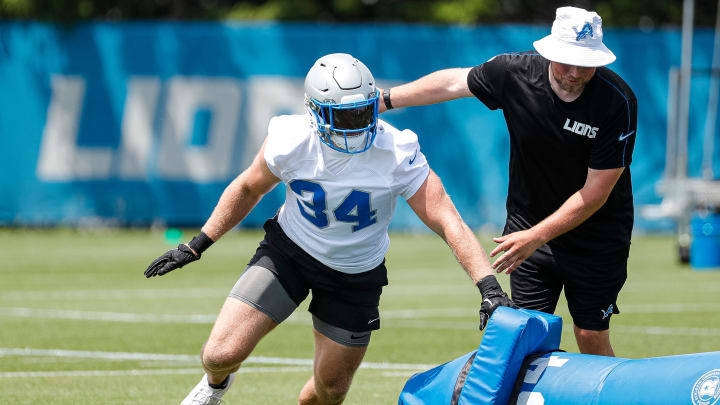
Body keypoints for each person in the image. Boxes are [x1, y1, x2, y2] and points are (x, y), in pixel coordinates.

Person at [144, 53, 515, 405]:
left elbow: (446, 219)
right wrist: (198, 244)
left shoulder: (397, 150)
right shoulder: (292, 139)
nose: (355, 124)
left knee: (330, 391)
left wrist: (488, 285)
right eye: (344, 115)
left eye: (361, 112)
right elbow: (247, 187)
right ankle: (216, 384)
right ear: (315, 112)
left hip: (355, 276)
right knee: (219, 354)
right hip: (289, 254)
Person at [379, 6, 637, 357]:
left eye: (586, 63)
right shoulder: (513, 72)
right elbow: (453, 82)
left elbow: (595, 194)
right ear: (549, 52)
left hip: (596, 235)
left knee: (590, 335)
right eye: (566, 61)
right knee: (526, 337)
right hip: (526, 228)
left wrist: (536, 237)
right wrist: (383, 100)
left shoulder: (617, 102)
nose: (575, 72)